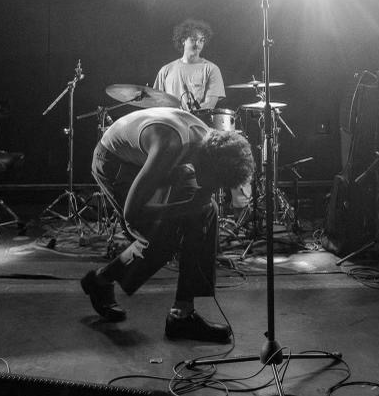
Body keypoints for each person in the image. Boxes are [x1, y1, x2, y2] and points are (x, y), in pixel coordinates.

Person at [79, 106, 254, 342]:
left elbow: (198, 184)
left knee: (207, 210)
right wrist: (183, 208)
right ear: (208, 165)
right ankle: (100, 281)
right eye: (215, 182)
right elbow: (133, 215)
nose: (214, 188)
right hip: (116, 162)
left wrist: (191, 202)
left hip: (149, 156)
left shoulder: (210, 143)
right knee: (159, 236)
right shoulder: (170, 145)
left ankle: (182, 315)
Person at [153, 18, 225, 111]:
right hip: (171, 123)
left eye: (201, 40)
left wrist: (187, 116)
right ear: (183, 40)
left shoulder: (212, 69)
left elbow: (209, 105)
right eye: (193, 40)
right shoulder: (165, 70)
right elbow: (156, 103)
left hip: (196, 123)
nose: (198, 44)